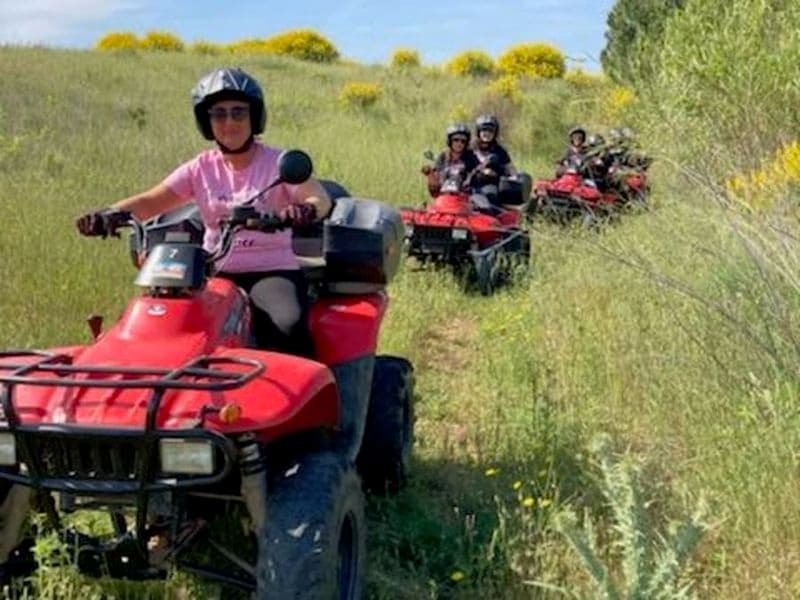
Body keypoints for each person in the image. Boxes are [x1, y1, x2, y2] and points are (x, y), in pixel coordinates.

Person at [76, 67, 332, 358]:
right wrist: (108, 215)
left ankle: (312, 394)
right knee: (165, 326)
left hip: (270, 268)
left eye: (238, 112)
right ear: (206, 122)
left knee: (287, 326)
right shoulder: (200, 168)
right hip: (211, 270)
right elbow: (151, 202)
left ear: (254, 117)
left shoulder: (277, 163)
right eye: (219, 114)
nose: (229, 122)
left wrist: (305, 210)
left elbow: (319, 197)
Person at [470, 114, 518, 205]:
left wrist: (514, 178)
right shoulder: (470, 149)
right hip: (469, 185)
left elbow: (510, 168)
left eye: (490, 131)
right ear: (478, 131)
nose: (487, 133)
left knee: (490, 198)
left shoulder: (499, 151)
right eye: (484, 130)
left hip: (490, 185)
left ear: (495, 133)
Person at [421, 123, 480, 197]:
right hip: (443, 199)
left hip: (465, 200)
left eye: (463, 141)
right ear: (449, 141)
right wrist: (430, 174)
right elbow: (435, 186)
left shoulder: (471, 158)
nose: (459, 143)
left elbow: (478, 175)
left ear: (466, 143)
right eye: (456, 140)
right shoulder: (443, 157)